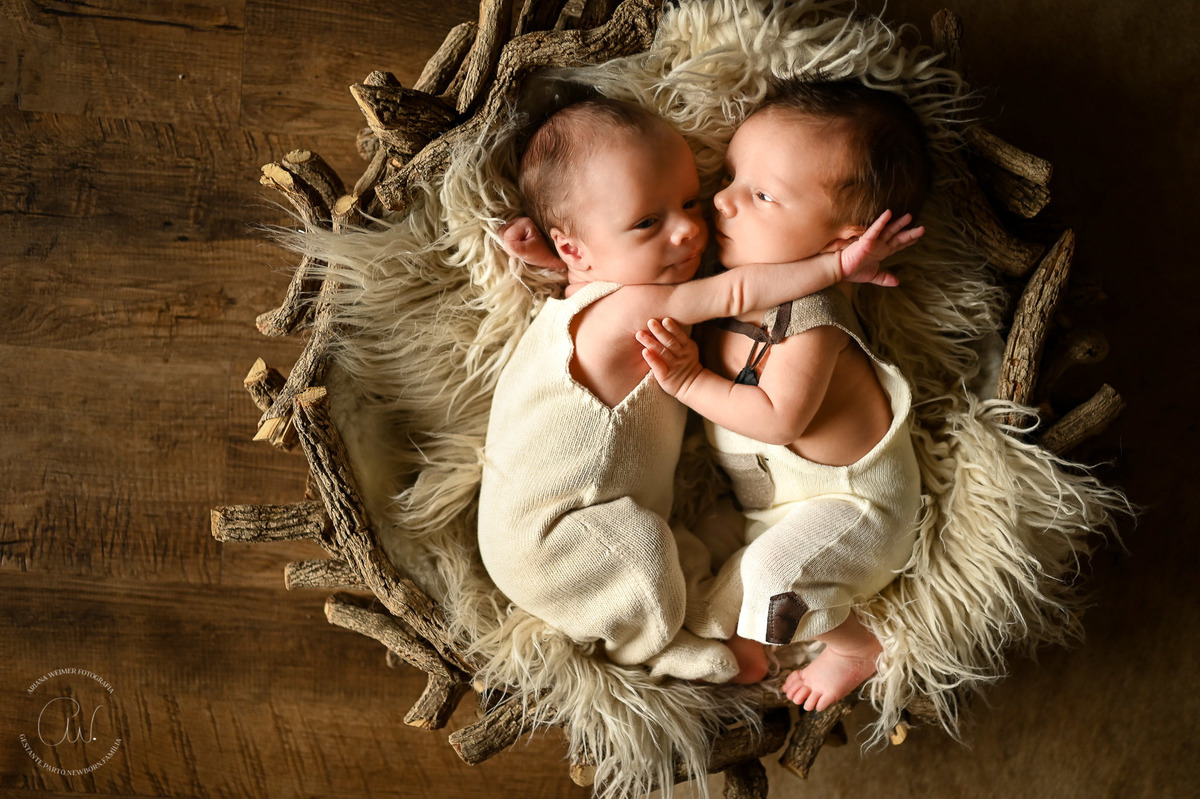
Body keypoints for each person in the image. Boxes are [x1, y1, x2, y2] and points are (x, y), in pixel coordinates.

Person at [478, 95, 922, 682]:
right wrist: (835, 267)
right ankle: (654, 647)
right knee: (646, 551)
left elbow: (610, 273)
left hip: (846, 508)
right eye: (648, 222)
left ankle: (799, 637)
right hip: (555, 535)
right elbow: (727, 294)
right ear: (574, 248)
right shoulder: (635, 306)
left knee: (697, 547)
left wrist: (554, 253)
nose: (696, 223)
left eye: (689, 202)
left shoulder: (597, 292)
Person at [636, 80, 932, 709]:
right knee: (704, 561)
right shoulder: (732, 284)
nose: (722, 201)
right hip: (777, 510)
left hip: (854, 510)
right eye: (732, 177)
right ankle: (743, 636)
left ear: (840, 244)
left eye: (762, 195)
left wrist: (687, 379)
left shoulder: (812, 320)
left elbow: (778, 420)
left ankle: (856, 648)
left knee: (772, 575)